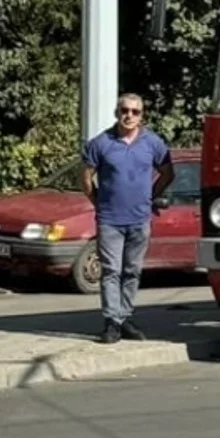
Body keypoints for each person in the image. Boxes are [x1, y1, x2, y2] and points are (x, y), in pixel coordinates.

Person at [82, 93, 175, 344]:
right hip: (110, 219)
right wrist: (98, 202)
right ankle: (112, 322)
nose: (129, 115)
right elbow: (86, 178)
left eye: (135, 111)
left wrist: (150, 196)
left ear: (142, 115)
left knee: (132, 270)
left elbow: (167, 173)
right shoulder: (100, 143)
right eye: (125, 110)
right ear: (116, 112)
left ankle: (124, 317)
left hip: (139, 219)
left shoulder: (152, 143)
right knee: (111, 270)